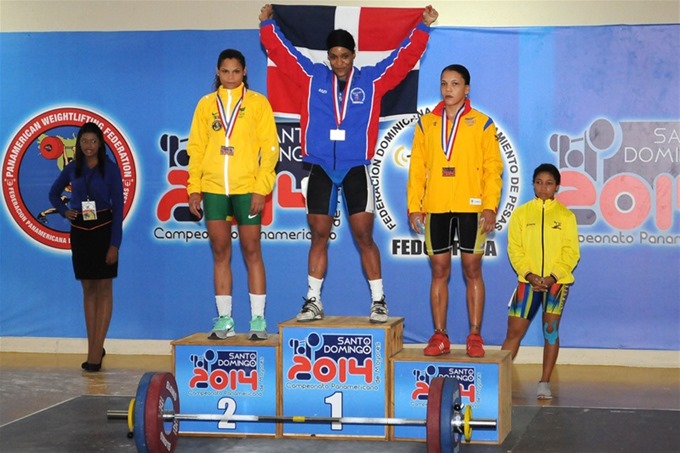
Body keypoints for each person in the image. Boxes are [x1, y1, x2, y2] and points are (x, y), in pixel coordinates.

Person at [259, 3, 439, 323]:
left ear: (353, 55)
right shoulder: (312, 76)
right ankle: (313, 301)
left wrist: (422, 28)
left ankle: (379, 300)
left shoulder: (371, 80)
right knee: (318, 233)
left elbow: (403, 59)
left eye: (345, 55)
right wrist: (267, 26)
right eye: (334, 56)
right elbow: (284, 55)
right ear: (328, 57)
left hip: (356, 166)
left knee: (363, 235)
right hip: (321, 167)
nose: (339, 62)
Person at [407, 64, 503, 358]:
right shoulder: (426, 124)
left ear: (467, 89)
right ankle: (440, 335)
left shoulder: (483, 123)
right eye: (444, 83)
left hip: (471, 206)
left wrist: (489, 205)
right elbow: (417, 169)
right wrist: (415, 207)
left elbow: (493, 169)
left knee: (472, 269)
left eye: (455, 84)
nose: (448, 89)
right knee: (439, 270)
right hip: (436, 206)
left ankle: (474, 335)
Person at [187, 49, 279, 341]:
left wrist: (261, 188)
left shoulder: (257, 103)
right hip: (214, 189)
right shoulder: (205, 105)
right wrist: (194, 188)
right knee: (220, 252)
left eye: (236, 72)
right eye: (225, 71)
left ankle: (258, 320)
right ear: (217, 72)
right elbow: (196, 150)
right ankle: (224, 319)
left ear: (244, 72)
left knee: (252, 251)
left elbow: (271, 148)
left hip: (246, 189)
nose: (230, 77)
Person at [49, 122, 124, 372]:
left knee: (104, 288)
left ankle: (96, 351)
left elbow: (119, 209)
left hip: (104, 229)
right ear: (79, 145)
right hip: (80, 232)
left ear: (100, 143)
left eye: (93, 141)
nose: (88, 146)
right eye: (84, 142)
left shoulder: (111, 170)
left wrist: (114, 244)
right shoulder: (73, 168)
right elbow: (53, 193)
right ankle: (93, 345)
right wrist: (64, 210)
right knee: (88, 289)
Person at [501, 163, 580, 399]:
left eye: (548, 183)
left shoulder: (566, 216)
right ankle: (498, 380)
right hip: (527, 283)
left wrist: (552, 277)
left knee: (551, 330)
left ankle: (544, 382)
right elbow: (515, 249)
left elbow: (571, 252)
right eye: (538, 182)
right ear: (533, 184)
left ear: (557, 186)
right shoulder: (522, 214)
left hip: (556, 284)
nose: (543, 187)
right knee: (514, 332)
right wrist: (530, 275)